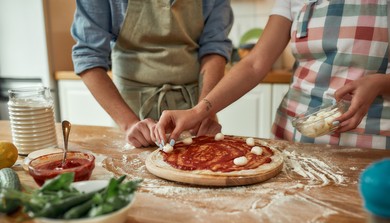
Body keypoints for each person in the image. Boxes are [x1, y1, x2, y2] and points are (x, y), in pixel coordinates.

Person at [153, 0, 390, 149]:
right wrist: (199, 111)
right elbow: (255, 64)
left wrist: (381, 83)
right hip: (294, 134)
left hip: (370, 140)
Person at [71, 0, 233, 148]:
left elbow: (214, 49)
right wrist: (129, 124)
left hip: (195, 109)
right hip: (130, 110)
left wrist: (204, 111)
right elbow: (88, 57)